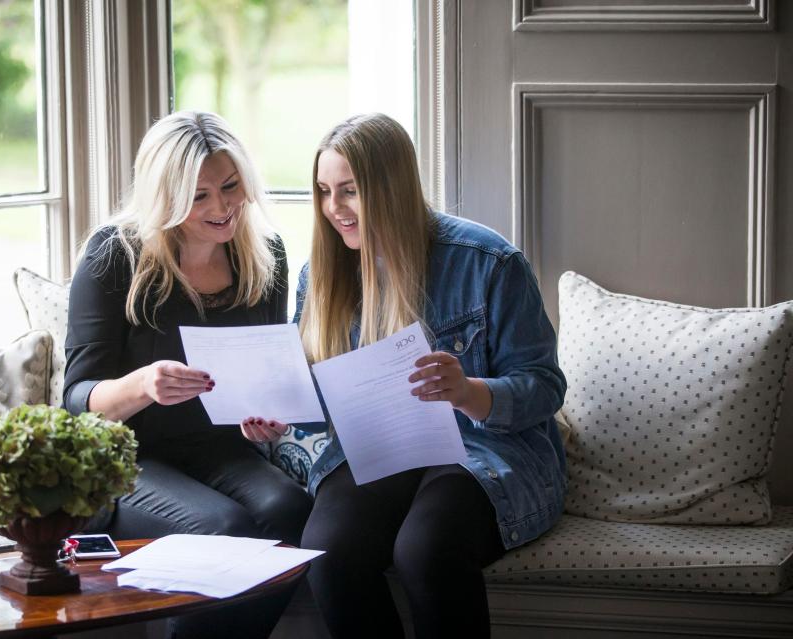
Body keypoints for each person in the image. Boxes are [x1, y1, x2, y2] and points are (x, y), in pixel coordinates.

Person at [242, 113, 568, 639]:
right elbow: (314, 403)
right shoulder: (320, 276)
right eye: (325, 192)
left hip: (482, 451)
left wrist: (468, 393)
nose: (333, 210)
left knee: (424, 550)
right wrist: (279, 423)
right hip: (374, 452)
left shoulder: (488, 262)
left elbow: (544, 386)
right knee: (327, 554)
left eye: (349, 191)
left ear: (390, 187)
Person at [63, 110, 312, 639]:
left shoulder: (264, 256)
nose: (222, 207)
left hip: (220, 450)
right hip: (124, 459)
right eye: (199, 196)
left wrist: (265, 421)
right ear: (165, 196)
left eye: (230, 186)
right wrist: (143, 385)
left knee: (292, 510)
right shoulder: (113, 256)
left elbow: (259, 376)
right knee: (227, 529)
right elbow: (75, 399)